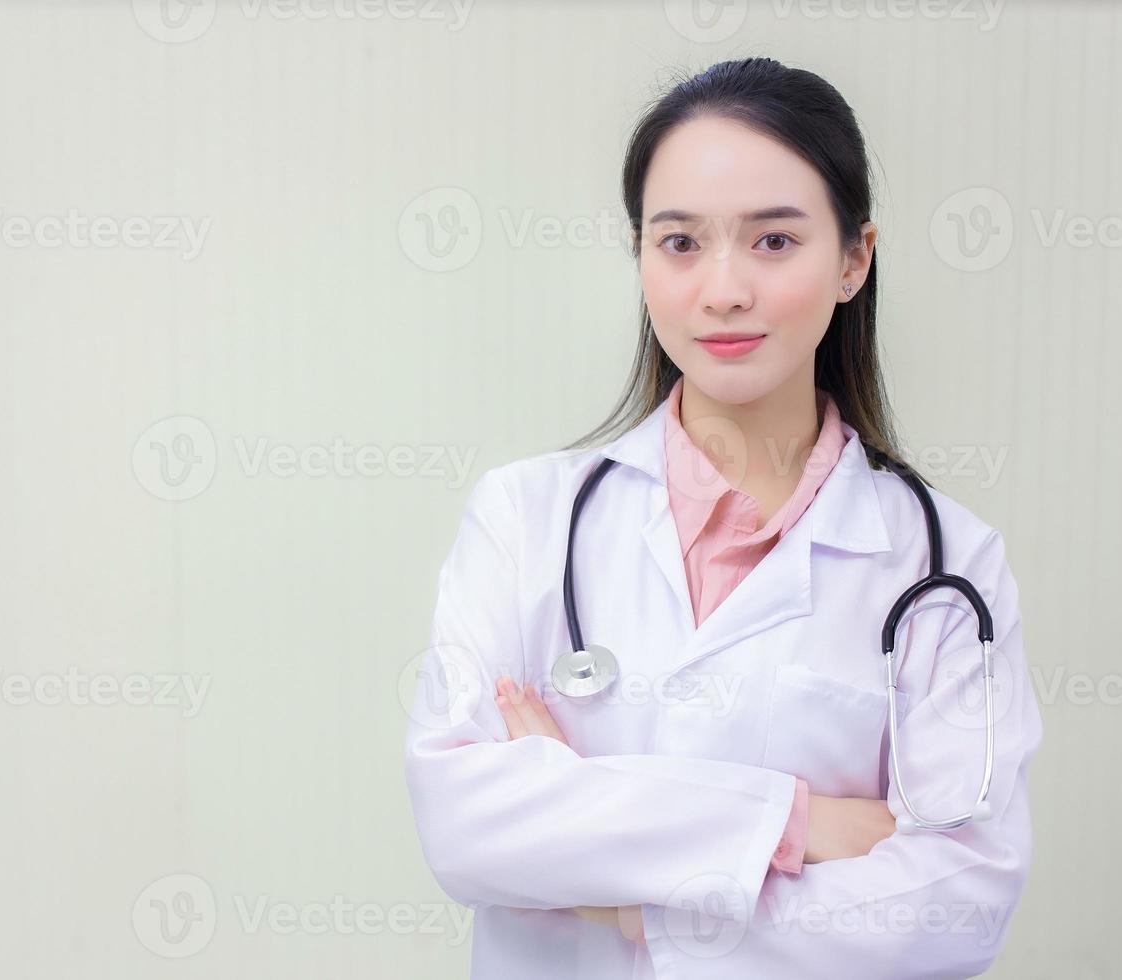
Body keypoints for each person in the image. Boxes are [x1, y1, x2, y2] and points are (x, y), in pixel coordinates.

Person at [403, 56, 1041, 979]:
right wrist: (799, 821)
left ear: (855, 259)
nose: (723, 290)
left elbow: (955, 906)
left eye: (774, 242)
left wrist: (621, 891)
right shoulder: (524, 519)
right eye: (680, 243)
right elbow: (464, 825)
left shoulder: (948, 568)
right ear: (639, 256)